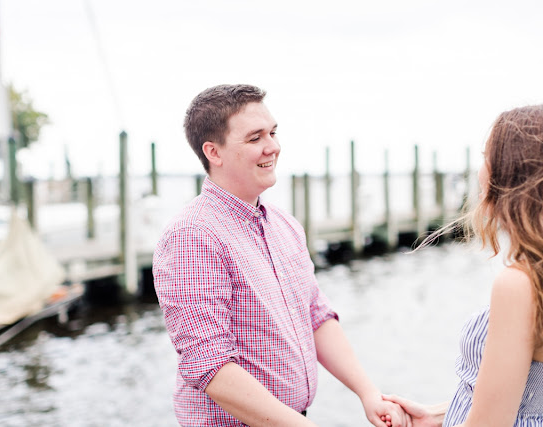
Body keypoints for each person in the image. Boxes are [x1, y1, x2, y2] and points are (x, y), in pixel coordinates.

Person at [153, 84, 409, 426]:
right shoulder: (193, 235)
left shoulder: (284, 225)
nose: (273, 146)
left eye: (272, 133)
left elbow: (316, 316)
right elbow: (209, 363)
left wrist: (368, 394)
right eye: (255, 137)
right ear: (214, 152)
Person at [381, 102, 543, 426]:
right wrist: (434, 415)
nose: (480, 169)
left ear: (518, 177)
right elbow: (533, 396)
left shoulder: (519, 285)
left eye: (486, 156)